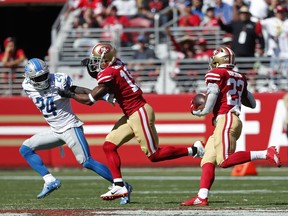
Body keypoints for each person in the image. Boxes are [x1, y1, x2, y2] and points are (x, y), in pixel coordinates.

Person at [57, 42, 205, 201]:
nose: (94, 63)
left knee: (154, 155)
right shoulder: (115, 65)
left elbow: (90, 100)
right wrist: (88, 70)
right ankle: (119, 185)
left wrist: (70, 94)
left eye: (97, 60)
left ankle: (195, 150)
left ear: (107, 60)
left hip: (139, 112)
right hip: (131, 114)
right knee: (109, 146)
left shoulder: (109, 73)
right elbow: (100, 77)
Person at [19, 58, 131, 205]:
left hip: (70, 127)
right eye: (38, 78)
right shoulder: (27, 85)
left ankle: (122, 185)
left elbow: (78, 89)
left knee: (86, 161)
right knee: (26, 149)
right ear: (30, 78)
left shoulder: (59, 80)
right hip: (55, 130)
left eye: (44, 75)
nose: (42, 79)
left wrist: (103, 96)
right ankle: (50, 180)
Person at [180, 46, 281, 206]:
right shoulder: (240, 76)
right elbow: (253, 103)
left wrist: (198, 112)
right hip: (229, 120)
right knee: (208, 159)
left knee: (224, 161)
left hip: (226, 119)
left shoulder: (216, 74)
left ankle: (265, 153)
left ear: (218, 60)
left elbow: (210, 101)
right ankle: (202, 196)